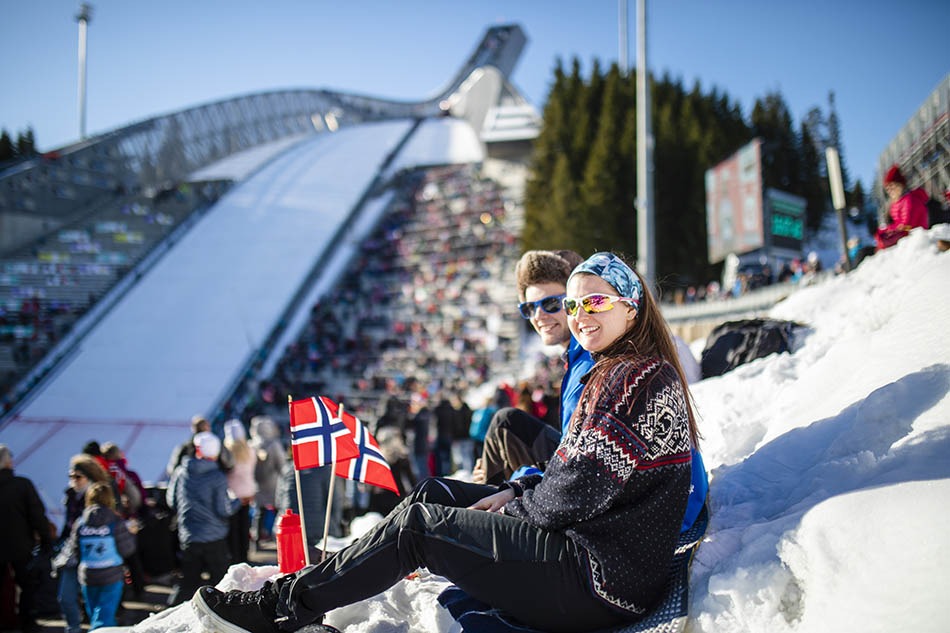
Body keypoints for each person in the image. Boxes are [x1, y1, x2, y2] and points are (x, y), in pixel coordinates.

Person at [191, 252, 700, 633]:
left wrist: (509, 512)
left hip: (599, 579)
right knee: (433, 493)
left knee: (419, 528)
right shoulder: (623, 371)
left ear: (630, 309)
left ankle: (279, 610)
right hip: (599, 556)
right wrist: (515, 496)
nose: (579, 314)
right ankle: (334, 576)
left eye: (595, 302)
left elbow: (576, 492)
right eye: (573, 304)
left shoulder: (632, 380)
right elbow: (578, 476)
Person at [473, 249, 594, 485]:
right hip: (575, 483)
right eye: (529, 309)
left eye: (550, 304)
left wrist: (517, 483)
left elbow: (582, 470)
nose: (538, 316)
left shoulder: (591, 360)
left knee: (505, 424)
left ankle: (487, 497)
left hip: (582, 497)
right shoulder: (576, 358)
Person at [166, 431, 240, 606]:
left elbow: (172, 501)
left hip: (189, 535)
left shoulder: (181, 472)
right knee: (221, 584)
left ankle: (168, 616)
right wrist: (237, 502)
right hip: (214, 537)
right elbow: (224, 510)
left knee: (188, 583)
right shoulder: (217, 477)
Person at [59, 481, 136, 630]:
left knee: (94, 612)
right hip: (111, 574)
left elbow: (75, 549)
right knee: (104, 617)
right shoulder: (115, 521)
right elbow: (127, 549)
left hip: (88, 574)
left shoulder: (80, 523)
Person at [54, 454, 112, 633]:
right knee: (65, 596)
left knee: (95, 601)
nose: (73, 480)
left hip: (94, 556)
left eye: (78, 477)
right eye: (71, 476)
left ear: (89, 477)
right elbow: (68, 525)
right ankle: (73, 628)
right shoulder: (71, 496)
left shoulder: (100, 496)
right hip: (72, 553)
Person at [0, 444, 53, 633]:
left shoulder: (21, 485)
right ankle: (27, 621)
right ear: (8, 462)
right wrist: (46, 539)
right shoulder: (21, 484)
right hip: (20, 546)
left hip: (14, 545)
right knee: (26, 584)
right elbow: (37, 515)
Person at [224, 419, 258, 565]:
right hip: (248, 492)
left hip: (232, 494)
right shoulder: (250, 450)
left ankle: (235, 557)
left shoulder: (227, 451)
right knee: (244, 527)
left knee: (233, 529)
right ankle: (244, 557)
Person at [249, 415, 285, 548]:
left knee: (259, 512)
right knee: (277, 510)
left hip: (257, 483)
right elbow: (281, 464)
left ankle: (256, 538)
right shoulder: (274, 445)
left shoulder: (252, 444)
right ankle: (277, 536)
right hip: (273, 483)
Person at [875, 164, 929, 250]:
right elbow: (899, 224)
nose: (889, 190)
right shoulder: (896, 203)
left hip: (916, 236)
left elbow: (909, 226)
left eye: (891, 186)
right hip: (905, 234)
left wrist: (896, 229)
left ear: (899, 185)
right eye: (887, 188)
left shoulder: (910, 200)